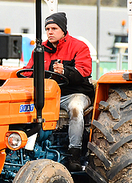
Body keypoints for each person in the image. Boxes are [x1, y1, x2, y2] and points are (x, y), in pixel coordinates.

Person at [24, 12, 94, 171]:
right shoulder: (40, 51)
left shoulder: (78, 46)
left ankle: (74, 152)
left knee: (76, 109)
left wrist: (66, 71)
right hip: (49, 95)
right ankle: (26, 148)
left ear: (63, 30)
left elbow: (84, 71)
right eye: (47, 28)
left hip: (74, 93)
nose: (50, 32)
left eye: (54, 28)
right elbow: (28, 70)